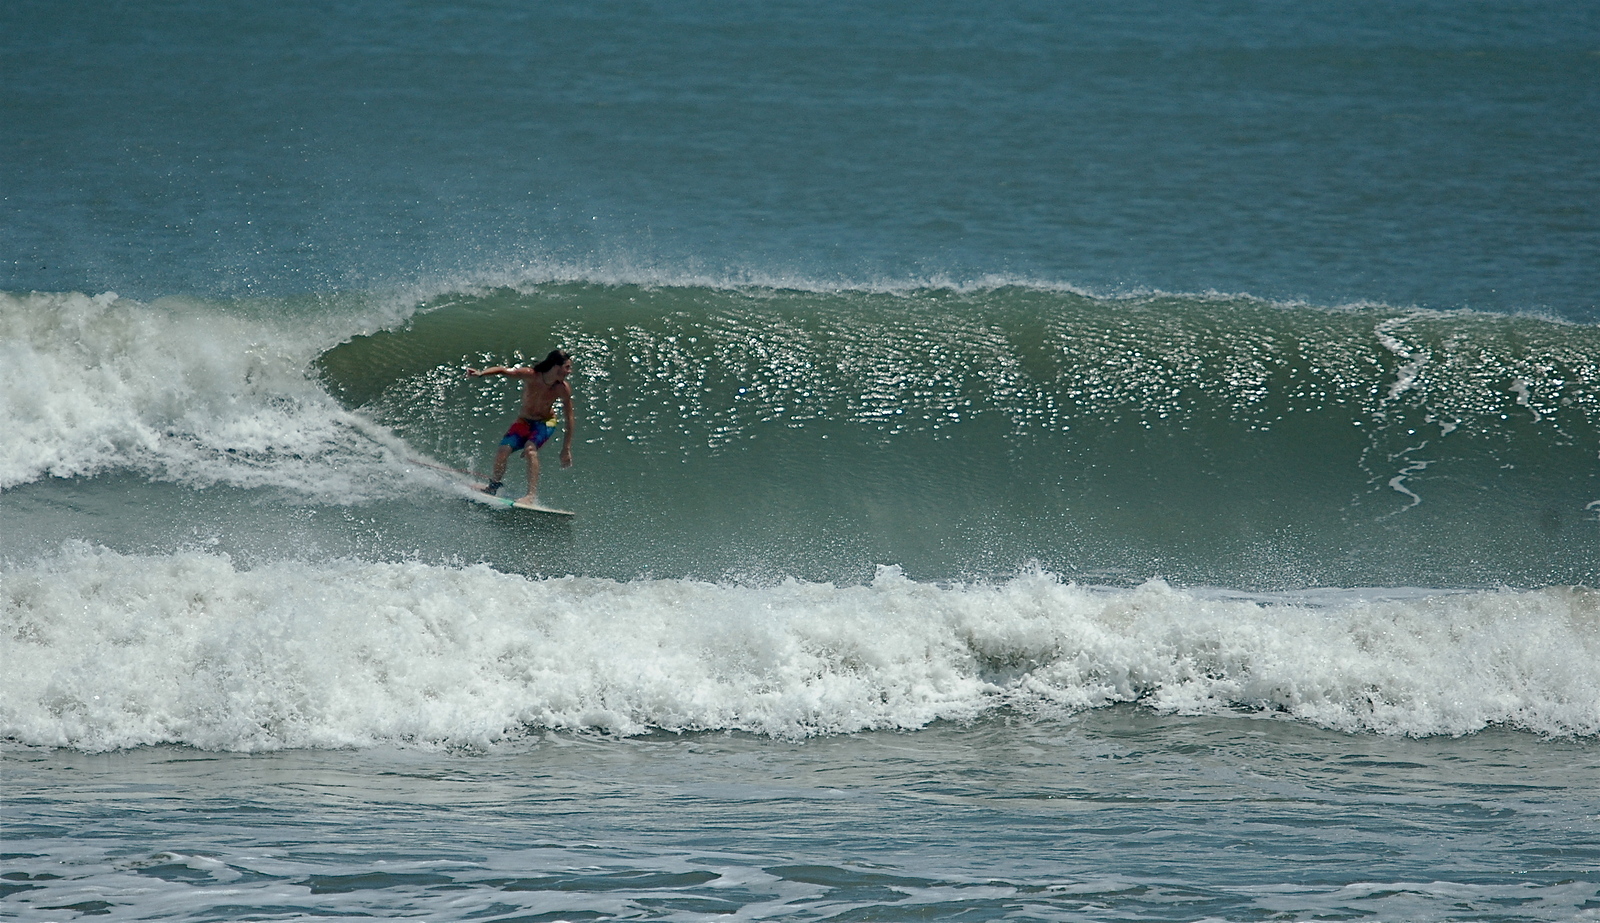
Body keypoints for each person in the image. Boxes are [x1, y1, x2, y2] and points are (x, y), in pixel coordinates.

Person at [465, 350, 576, 503]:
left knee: (530, 450)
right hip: (524, 421)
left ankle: (530, 495)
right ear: (556, 366)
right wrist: (481, 373)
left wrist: (566, 448)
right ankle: (492, 486)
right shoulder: (531, 375)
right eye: (567, 367)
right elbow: (503, 370)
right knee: (503, 451)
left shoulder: (562, 388)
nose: (569, 372)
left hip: (546, 422)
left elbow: (569, 418)